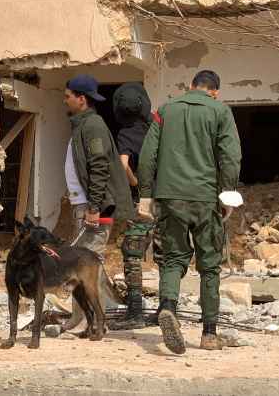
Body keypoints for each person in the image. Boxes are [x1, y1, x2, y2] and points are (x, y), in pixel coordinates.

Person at [138, 70, 241, 353]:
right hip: (206, 198)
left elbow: (148, 155)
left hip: (170, 197)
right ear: (215, 91)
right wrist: (227, 194)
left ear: (190, 87)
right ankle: (209, 334)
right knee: (209, 266)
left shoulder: (165, 111)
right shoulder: (221, 111)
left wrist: (145, 195)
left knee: (172, 259)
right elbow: (230, 156)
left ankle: (168, 307)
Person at [60, 75, 133, 334]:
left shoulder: (93, 126)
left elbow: (99, 167)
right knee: (79, 265)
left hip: (94, 207)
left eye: (68, 96)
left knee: (86, 267)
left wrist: (94, 207)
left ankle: (93, 322)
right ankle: (80, 317)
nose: (64, 100)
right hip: (84, 205)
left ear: (82, 99)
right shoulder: (81, 125)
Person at [108, 82, 161, 331]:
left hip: (144, 202)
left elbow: (122, 164)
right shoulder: (160, 125)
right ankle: (167, 308)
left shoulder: (127, 133)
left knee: (132, 253)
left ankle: (136, 310)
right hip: (170, 199)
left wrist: (135, 182)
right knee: (168, 256)